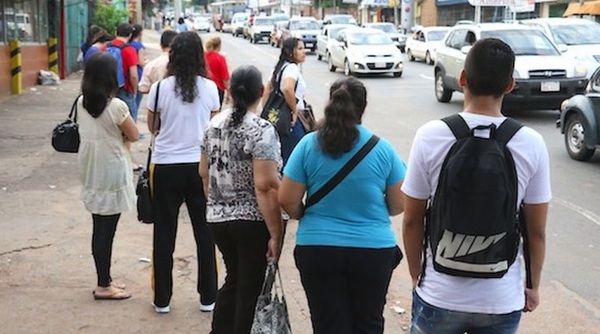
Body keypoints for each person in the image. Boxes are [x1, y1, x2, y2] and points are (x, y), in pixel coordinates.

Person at [401, 38, 550, 334]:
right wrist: (532, 286)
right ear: (510, 85)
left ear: (463, 79)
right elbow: (537, 231)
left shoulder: (431, 135)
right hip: (500, 299)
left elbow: (412, 219)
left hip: (439, 295)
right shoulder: (530, 142)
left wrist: (417, 274)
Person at [278, 77, 406, 333]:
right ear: (363, 107)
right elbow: (398, 204)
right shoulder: (383, 150)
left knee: (328, 325)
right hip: (372, 251)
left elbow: (287, 199)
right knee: (368, 322)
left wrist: (304, 213)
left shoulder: (308, 145)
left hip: (318, 248)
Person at [199, 65, 284, 334]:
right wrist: (275, 233)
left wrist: (216, 206)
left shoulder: (213, 125)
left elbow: (203, 173)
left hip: (217, 220)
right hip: (251, 222)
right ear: (261, 92)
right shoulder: (261, 130)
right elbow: (266, 185)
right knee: (251, 288)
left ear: (230, 91)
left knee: (234, 279)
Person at [146, 31, 219, 314]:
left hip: (165, 167)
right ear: (200, 57)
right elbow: (213, 129)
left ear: (173, 56)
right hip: (201, 168)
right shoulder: (211, 88)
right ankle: (208, 298)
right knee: (205, 234)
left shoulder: (160, 89)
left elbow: (153, 126)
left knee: (164, 234)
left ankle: (162, 300)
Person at [77, 52, 139, 300]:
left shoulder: (81, 102)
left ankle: (105, 279)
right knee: (107, 231)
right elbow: (134, 135)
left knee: (99, 228)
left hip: (91, 167)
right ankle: (104, 285)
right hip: (112, 169)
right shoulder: (117, 106)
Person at [261, 37, 307, 166]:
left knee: (281, 154)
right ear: (290, 52)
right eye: (300, 49)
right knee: (296, 155)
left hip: (277, 118)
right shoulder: (292, 68)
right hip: (290, 120)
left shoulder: (279, 68)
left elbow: (267, 90)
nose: (304, 52)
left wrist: (266, 111)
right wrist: (294, 110)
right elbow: (288, 88)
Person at [110, 23, 139, 122]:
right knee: (129, 122)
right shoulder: (130, 50)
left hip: (108, 89)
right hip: (125, 90)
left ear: (115, 33)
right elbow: (134, 75)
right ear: (130, 35)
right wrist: (134, 90)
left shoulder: (105, 48)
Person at [139, 30, 177, 94]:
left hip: (157, 102)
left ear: (161, 45)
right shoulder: (182, 64)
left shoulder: (151, 65)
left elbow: (143, 89)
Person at [204, 35, 230, 106]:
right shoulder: (220, 59)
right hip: (218, 89)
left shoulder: (203, 56)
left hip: (204, 88)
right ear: (219, 46)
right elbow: (225, 78)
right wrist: (228, 92)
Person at [129, 24, 147, 119]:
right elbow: (141, 62)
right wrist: (146, 61)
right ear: (140, 34)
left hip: (128, 75)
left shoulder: (128, 44)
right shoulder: (139, 46)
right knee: (135, 104)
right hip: (138, 75)